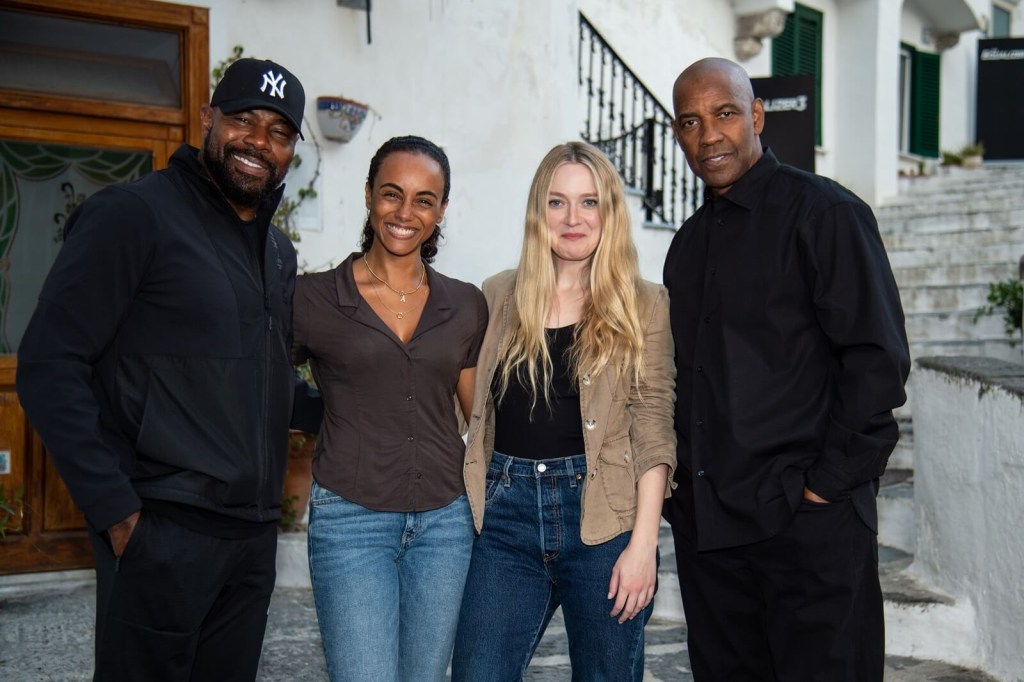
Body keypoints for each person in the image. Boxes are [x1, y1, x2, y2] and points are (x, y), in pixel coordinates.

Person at [15, 58, 308, 680]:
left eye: (280, 133)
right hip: (160, 529)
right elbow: (49, 363)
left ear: (291, 153)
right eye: (244, 121)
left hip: (251, 541)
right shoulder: (134, 214)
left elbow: (269, 380)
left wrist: (389, 397)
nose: (260, 142)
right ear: (208, 119)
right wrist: (118, 512)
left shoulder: (278, 253)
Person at [662, 57, 911, 680]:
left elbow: (876, 363)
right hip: (712, 541)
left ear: (756, 115)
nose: (709, 135)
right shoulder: (685, 245)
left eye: (723, 113)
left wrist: (824, 489)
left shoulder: (826, 213)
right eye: (690, 122)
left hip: (808, 528)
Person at [451, 141, 676, 680]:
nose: (573, 218)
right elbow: (472, 397)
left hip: (604, 520)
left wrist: (643, 545)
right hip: (505, 520)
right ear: (538, 213)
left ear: (610, 212)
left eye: (589, 202)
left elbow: (653, 425)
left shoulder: (645, 303)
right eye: (557, 202)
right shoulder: (498, 294)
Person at [292, 135, 487, 682]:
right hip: (351, 520)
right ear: (369, 196)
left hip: (446, 525)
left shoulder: (466, 303)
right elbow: (260, 385)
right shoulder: (313, 298)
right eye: (391, 194)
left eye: (424, 199)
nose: (405, 213)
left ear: (442, 208)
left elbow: (479, 417)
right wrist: (327, 416)